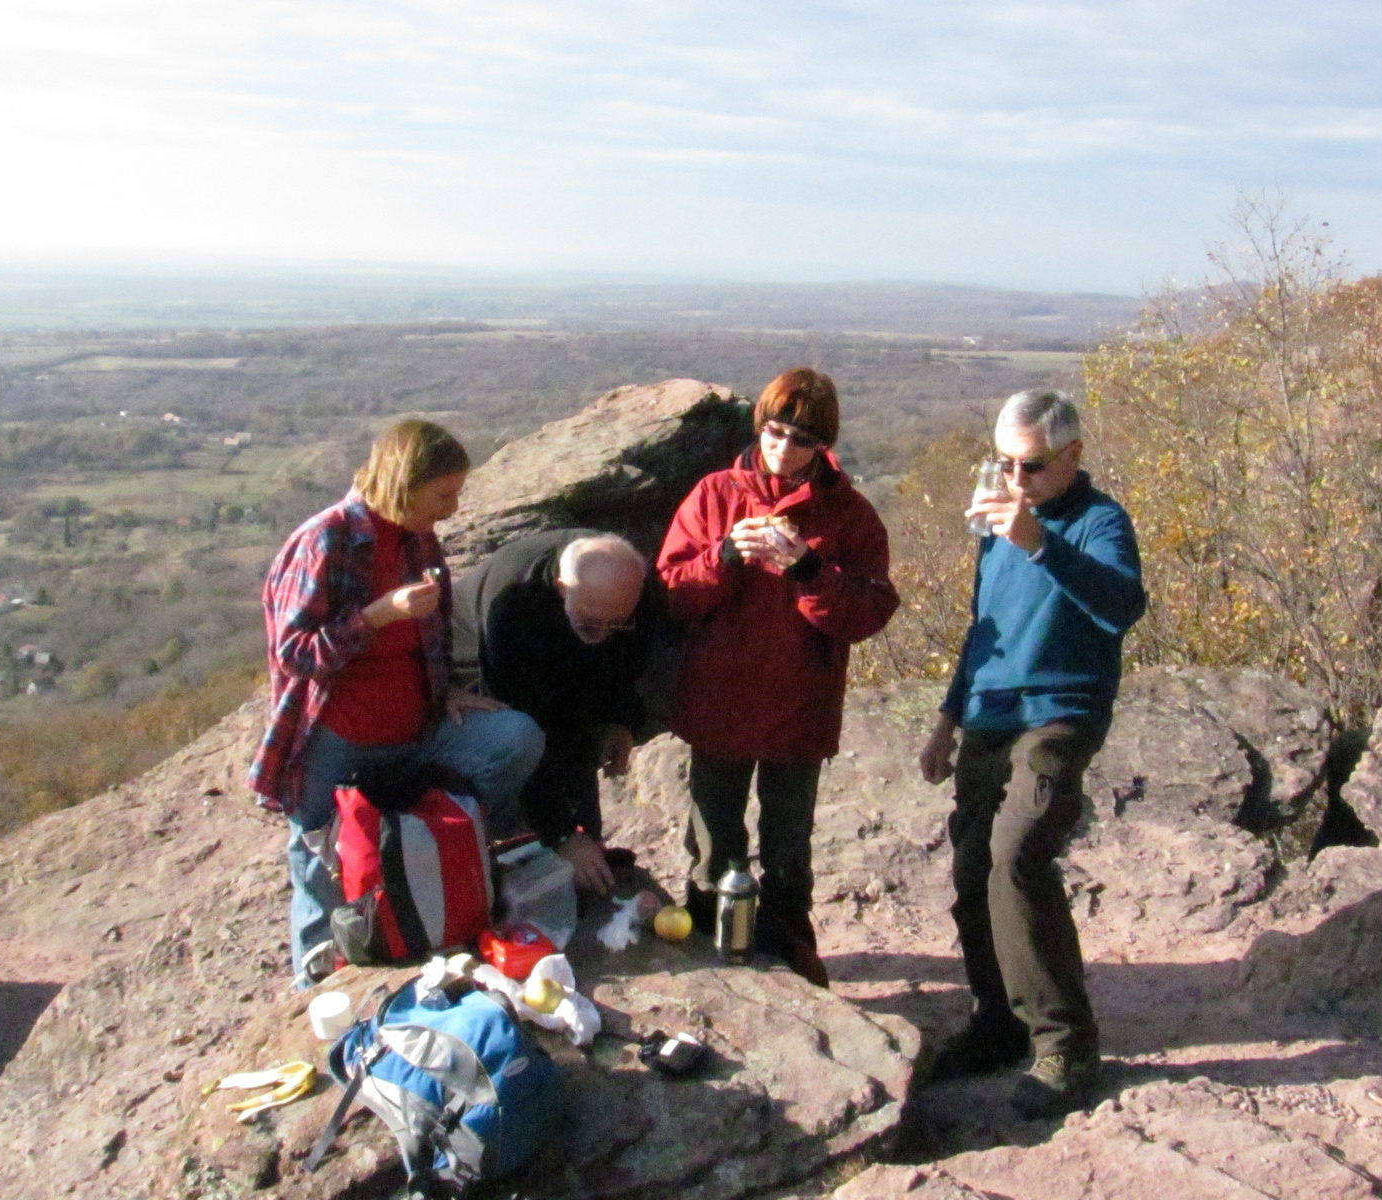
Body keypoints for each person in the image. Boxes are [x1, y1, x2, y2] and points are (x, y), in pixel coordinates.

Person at [249, 418, 545, 984]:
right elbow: (293, 653)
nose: (452, 508)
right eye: (443, 495)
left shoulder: (417, 537)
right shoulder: (326, 539)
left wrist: (449, 691)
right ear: (404, 483)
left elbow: (431, 634)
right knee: (322, 865)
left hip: (417, 726)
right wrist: (377, 616)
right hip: (339, 739)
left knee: (515, 739)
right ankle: (321, 988)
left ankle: (444, 873)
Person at [918, 388, 1146, 1117]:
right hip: (991, 711)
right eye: (1006, 465)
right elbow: (983, 626)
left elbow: (1120, 606)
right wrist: (947, 718)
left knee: (1017, 856)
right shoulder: (998, 526)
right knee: (971, 867)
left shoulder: (1098, 521)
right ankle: (998, 1022)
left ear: (1073, 455)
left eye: (1034, 466)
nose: (1017, 482)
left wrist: (1039, 543)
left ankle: (1065, 1044)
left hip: (1058, 711)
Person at [658, 367, 898, 987]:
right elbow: (672, 593)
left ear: (824, 445)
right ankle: (713, 945)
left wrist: (809, 568)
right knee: (713, 842)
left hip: (799, 704)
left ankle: (789, 943)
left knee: (789, 845)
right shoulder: (715, 494)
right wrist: (725, 556)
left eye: (802, 439)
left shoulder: (847, 514)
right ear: (759, 425)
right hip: (720, 700)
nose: (784, 448)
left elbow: (869, 612)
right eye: (775, 431)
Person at [450, 528, 662, 895]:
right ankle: (519, 854)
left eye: (616, 624)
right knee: (525, 738)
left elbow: (627, 659)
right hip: (471, 677)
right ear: (563, 589)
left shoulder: (628, 586)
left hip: (559, 660)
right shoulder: (513, 602)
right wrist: (561, 834)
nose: (603, 635)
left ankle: (587, 858)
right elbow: (528, 722)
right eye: (591, 624)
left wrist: (621, 719)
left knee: (580, 732)